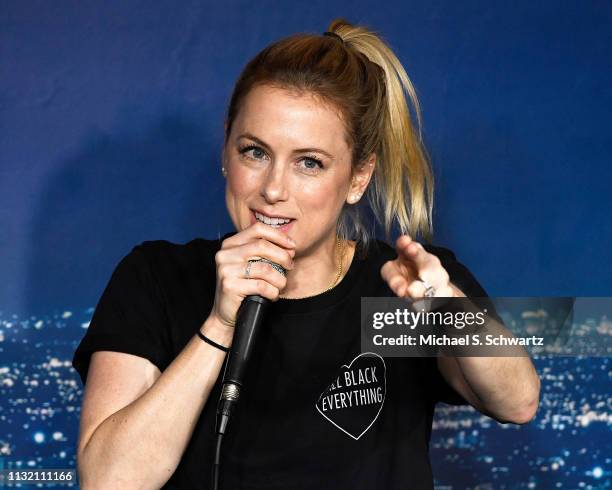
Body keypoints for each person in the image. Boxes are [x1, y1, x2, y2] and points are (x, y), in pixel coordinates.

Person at [72, 18, 540, 489]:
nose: (273, 189)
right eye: (254, 152)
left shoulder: (402, 285)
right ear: (226, 148)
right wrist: (218, 326)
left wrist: (446, 312)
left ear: (358, 178)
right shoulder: (157, 277)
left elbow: (517, 402)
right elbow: (109, 481)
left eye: (309, 163)